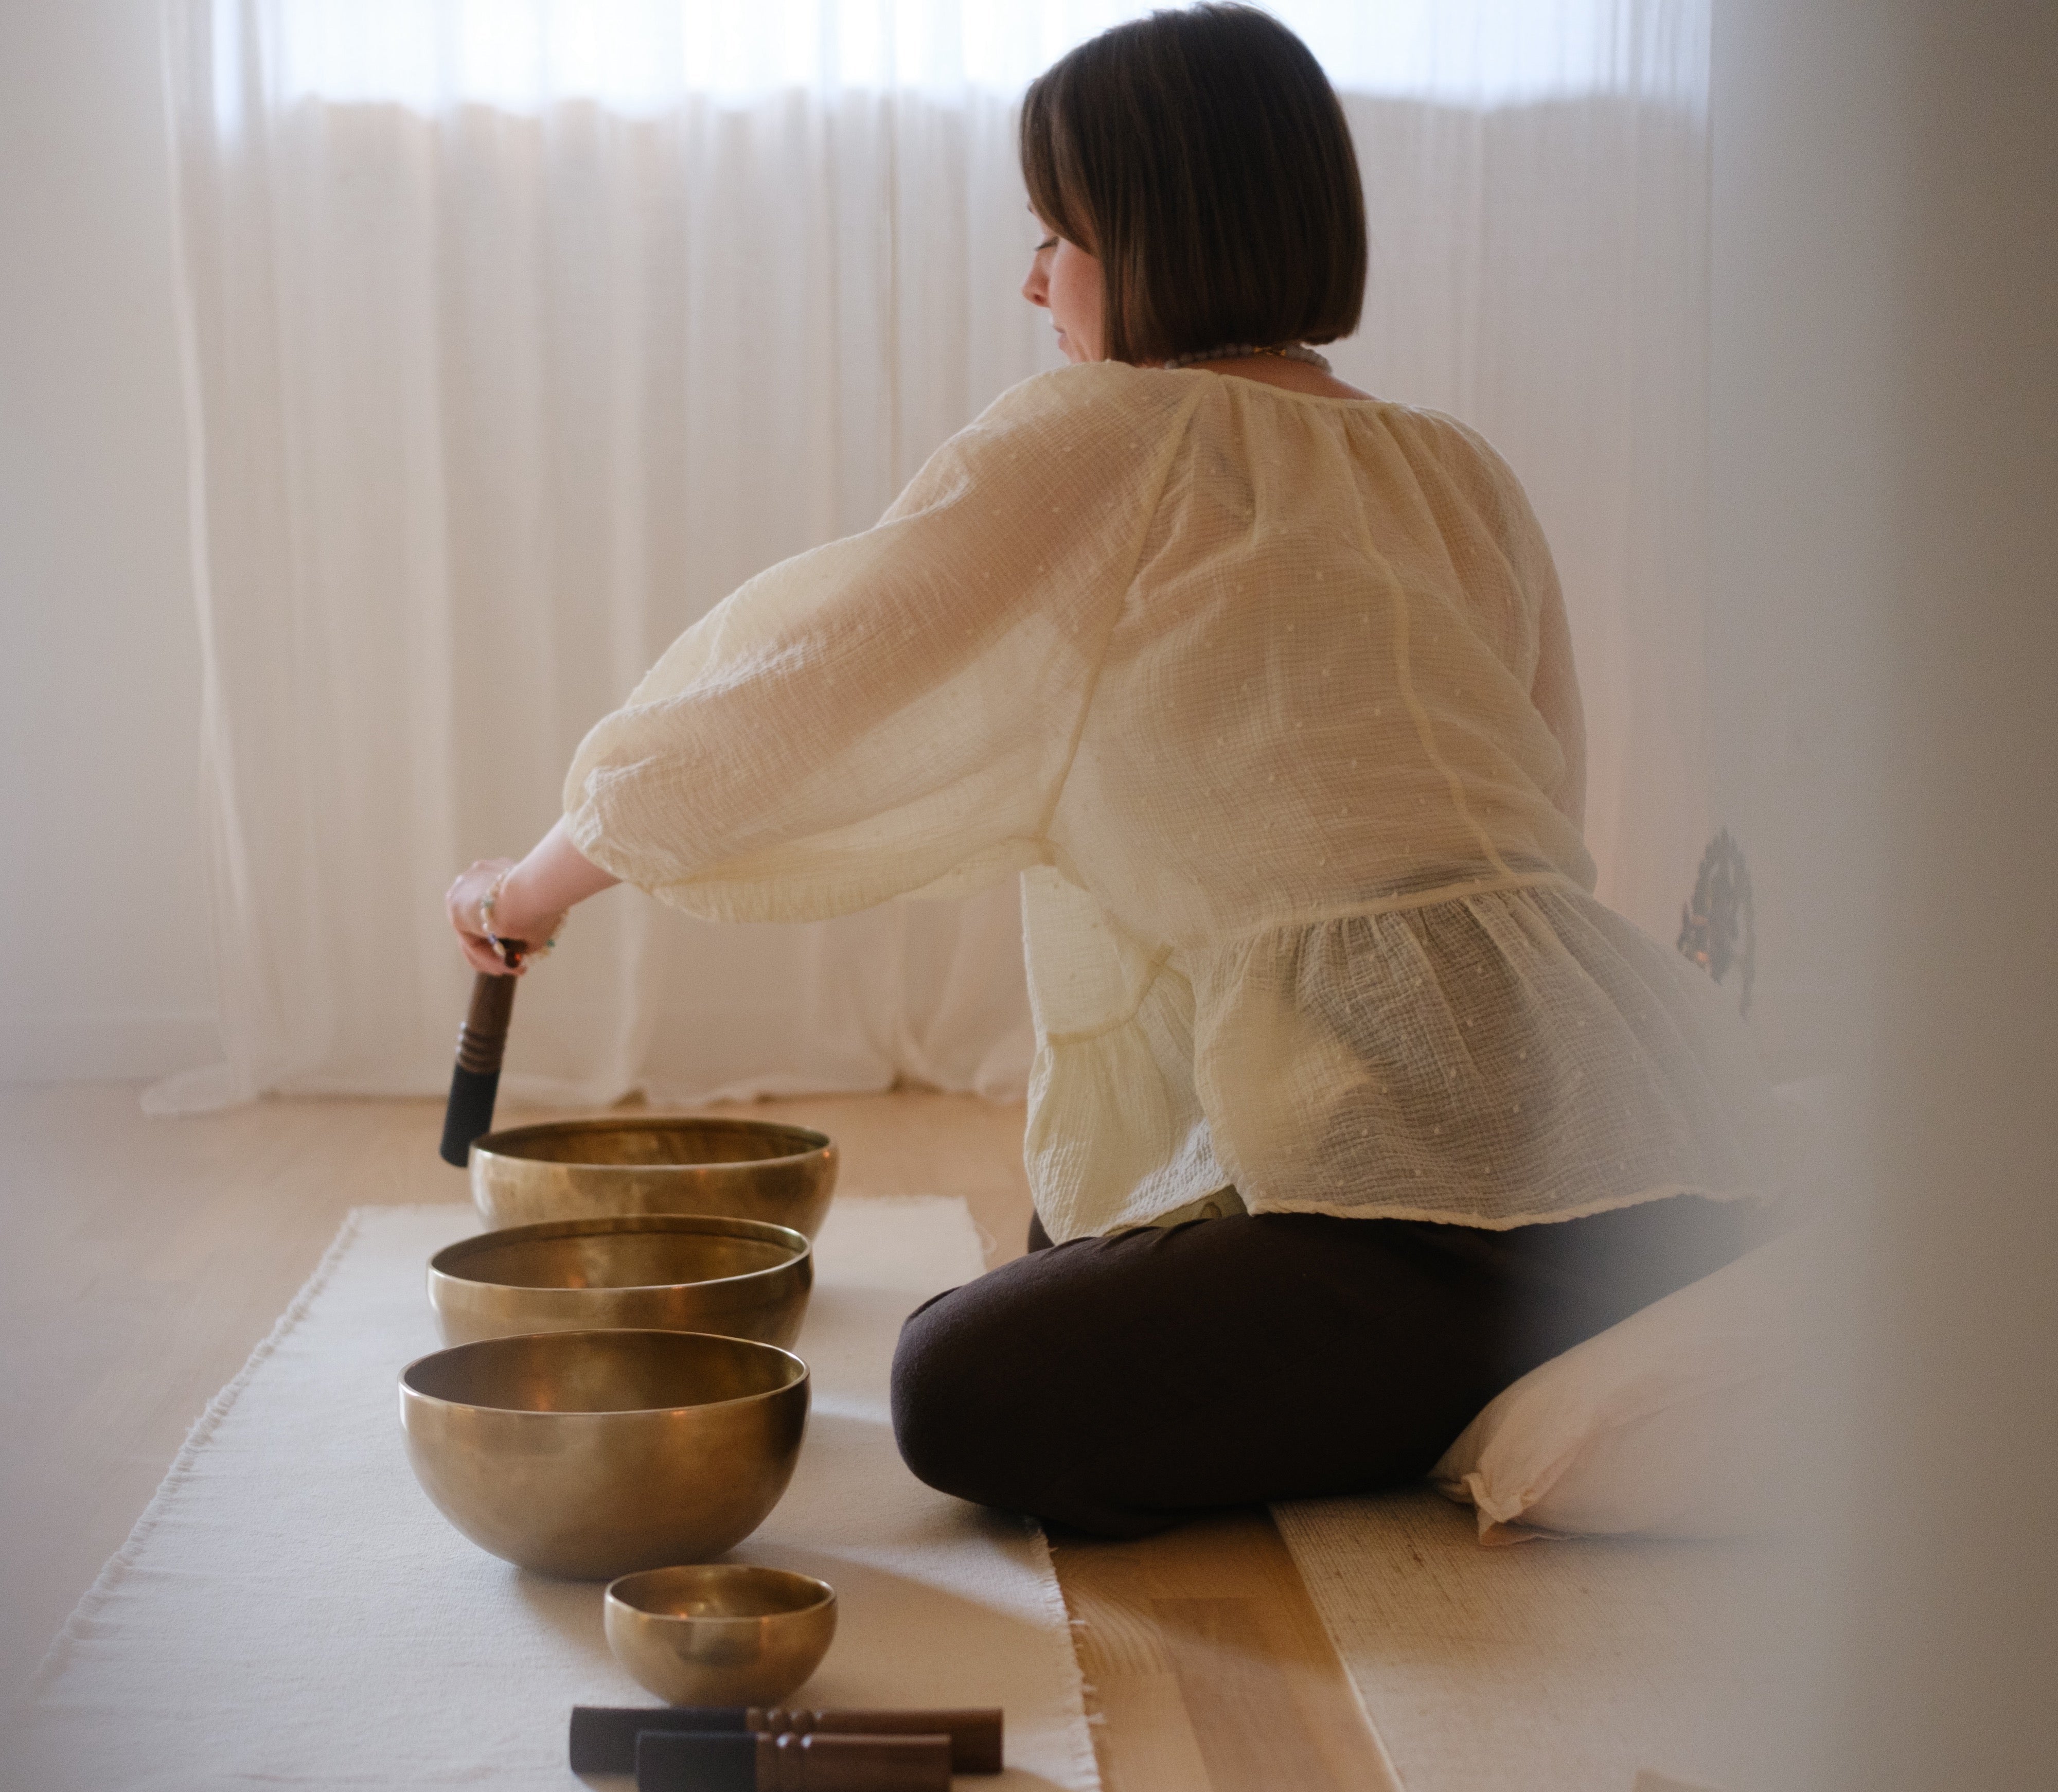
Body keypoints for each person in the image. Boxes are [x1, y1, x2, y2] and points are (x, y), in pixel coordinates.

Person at [446, 5, 1786, 1538]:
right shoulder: (1456, 464)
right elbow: (1546, 802)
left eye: (1055, 234)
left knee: (956, 1383)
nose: (1032, 280)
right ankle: (1610, 1307)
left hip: (1435, 1187)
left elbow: (792, 695)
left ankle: (1509, 1350)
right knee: (1058, 1247)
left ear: (1159, 236)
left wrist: (523, 888)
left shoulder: (1106, 439)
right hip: (1657, 1110)